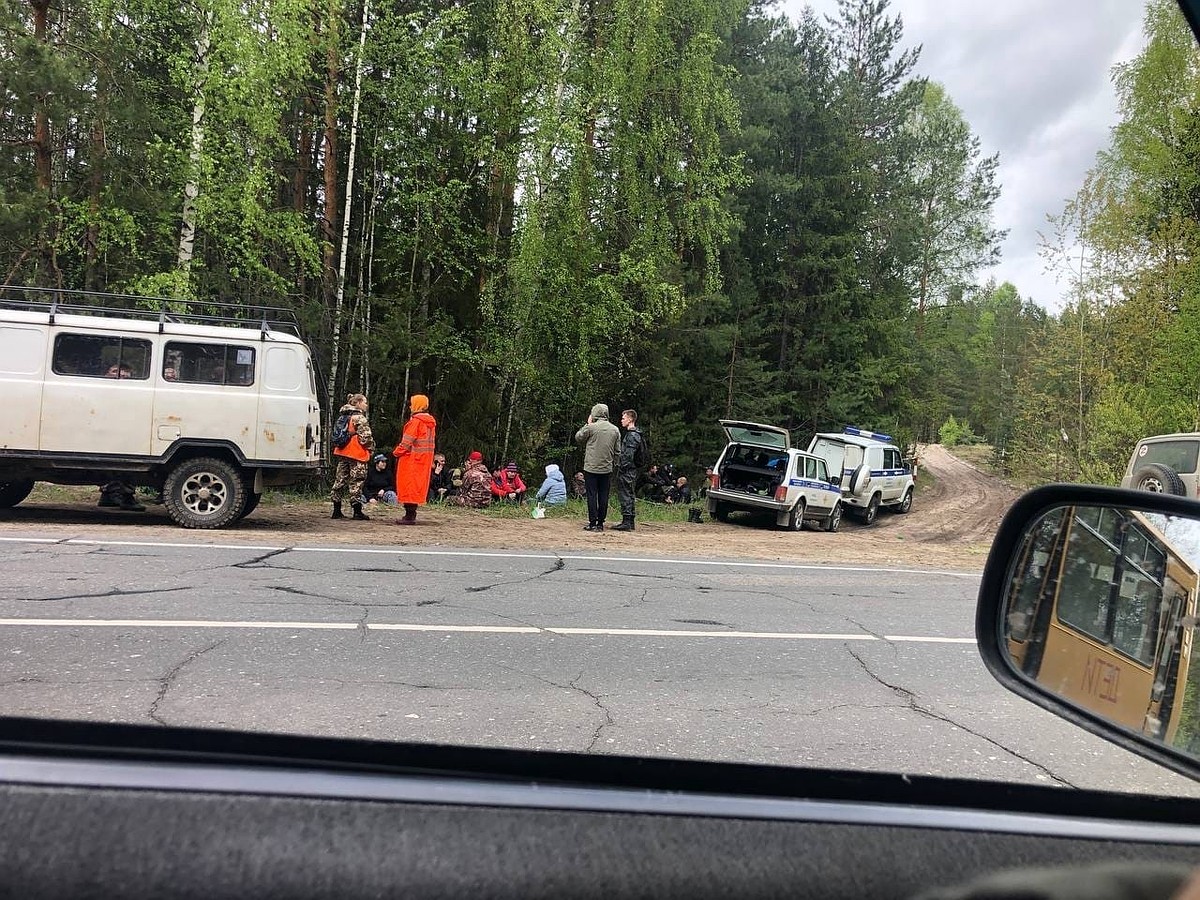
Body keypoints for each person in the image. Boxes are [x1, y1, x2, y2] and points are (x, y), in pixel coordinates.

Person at [574, 402, 621, 531]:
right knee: (604, 495)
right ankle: (601, 523)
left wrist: (587, 424)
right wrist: (613, 465)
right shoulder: (615, 429)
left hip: (591, 468)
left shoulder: (591, 428)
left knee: (591, 495)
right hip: (606, 468)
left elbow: (578, 437)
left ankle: (592, 522)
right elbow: (618, 451)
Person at [392, 393, 437, 525]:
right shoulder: (430, 423)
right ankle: (411, 513)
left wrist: (395, 453)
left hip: (411, 461)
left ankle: (409, 515)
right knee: (417, 488)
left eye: (412, 404)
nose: (410, 407)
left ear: (418, 405)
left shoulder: (415, 422)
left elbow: (406, 443)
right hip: (424, 461)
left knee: (408, 487)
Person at [330, 393, 374, 521]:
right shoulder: (359, 418)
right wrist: (371, 448)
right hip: (356, 453)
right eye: (364, 402)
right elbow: (365, 438)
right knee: (357, 482)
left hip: (342, 452)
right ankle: (357, 511)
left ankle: (336, 510)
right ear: (358, 403)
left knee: (339, 481)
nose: (366, 405)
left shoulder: (343, 416)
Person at [612, 409, 646, 531]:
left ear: (630, 419)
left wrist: (622, 467)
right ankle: (629, 521)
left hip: (628, 470)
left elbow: (628, 455)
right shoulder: (637, 434)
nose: (622, 420)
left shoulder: (632, 435)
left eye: (624, 418)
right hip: (632, 469)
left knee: (626, 494)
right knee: (629, 494)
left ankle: (627, 521)